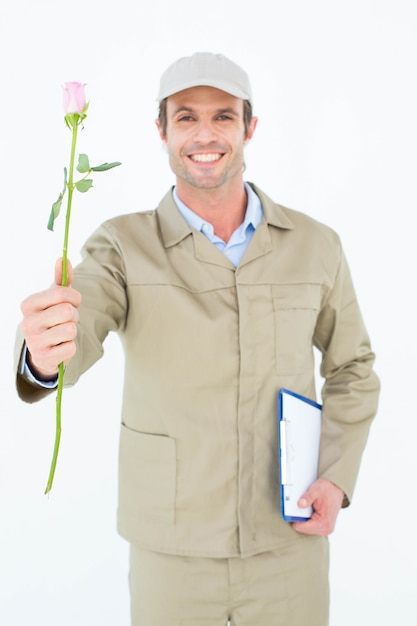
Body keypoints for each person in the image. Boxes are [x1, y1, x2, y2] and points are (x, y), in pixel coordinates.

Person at [15, 51, 380, 625]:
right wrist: (46, 350)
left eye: (223, 117)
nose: (204, 134)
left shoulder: (317, 245)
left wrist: (335, 477)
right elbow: (81, 323)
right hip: (171, 547)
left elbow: (353, 367)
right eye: (185, 117)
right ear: (160, 130)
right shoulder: (120, 246)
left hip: (288, 542)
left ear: (249, 127)